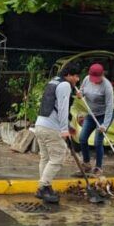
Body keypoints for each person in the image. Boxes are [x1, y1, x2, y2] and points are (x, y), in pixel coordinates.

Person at [33, 64, 81, 203]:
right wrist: (65, 130)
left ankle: (46, 188)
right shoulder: (65, 85)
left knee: (46, 158)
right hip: (51, 128)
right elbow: (62, 109)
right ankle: (43, 187)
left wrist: (74, 95)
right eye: (76, 76)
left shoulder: (54, 81)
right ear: (69, 75)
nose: (77, 79)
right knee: (57, 158)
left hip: (40, 124)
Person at [77, 63, 114, 175]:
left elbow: (110, 107)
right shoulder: (86, 79)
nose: (95, 81)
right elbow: (82, 90)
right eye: (93, 78)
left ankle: (98, 167)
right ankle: (87, 164)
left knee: (98, 141)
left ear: (102, 75)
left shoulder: (107, 86)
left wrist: (105, 125)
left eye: (97, 78)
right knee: (82, 138)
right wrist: (80, 94)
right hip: (91, 114)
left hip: (104, 115)